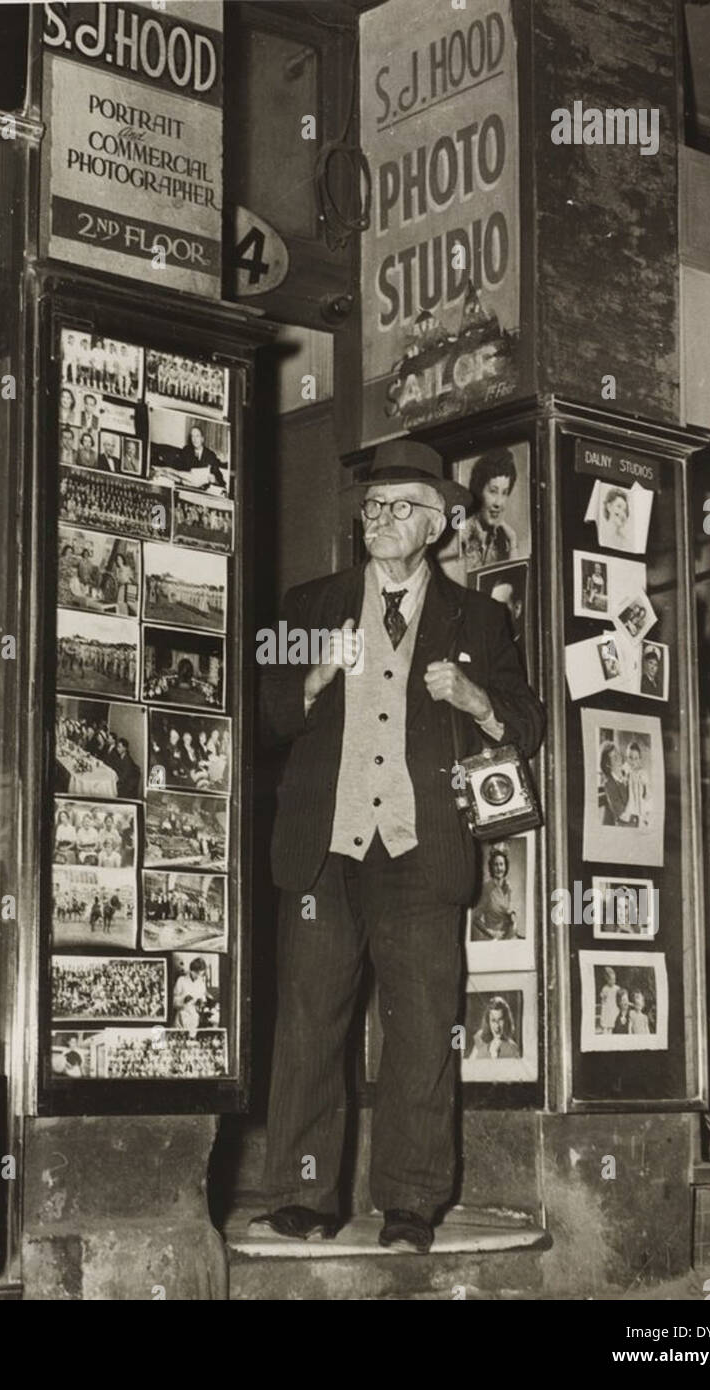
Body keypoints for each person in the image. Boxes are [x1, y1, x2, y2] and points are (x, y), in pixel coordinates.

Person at [251, 438, 544, 1255]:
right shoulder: (310, 604)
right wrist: (312, 681)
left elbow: (528, 722)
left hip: (423, 849)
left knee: (423, 1028)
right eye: (372, 507)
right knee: (310, 1022)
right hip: (325, 847)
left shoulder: (480, 619)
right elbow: (261, 712)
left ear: (440, 525)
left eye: (399, 508)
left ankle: (411, 1205)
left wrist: (477, 696)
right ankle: (304, 1195)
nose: (380, 520)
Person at [463, 449, 518, 570]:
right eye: (493, 491)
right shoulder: (461, 535)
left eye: (504, 493)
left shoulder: (502, 539)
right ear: (478, 491)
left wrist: (513, 544)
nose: (498, 503)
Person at [469, 845, 517, 940]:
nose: (499, 868)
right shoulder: (486, 888)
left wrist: (513, 916)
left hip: (509, 935)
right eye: (496, 864)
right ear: (491, 867)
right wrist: (491, 933)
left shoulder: (508, 887)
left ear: (506, 866)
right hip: (494, 939)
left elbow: (509, 910)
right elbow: (475, 918)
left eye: (501, 864)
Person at [176, 425, 227, 492]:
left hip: (203, 490)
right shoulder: (186, 450)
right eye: (192, 436)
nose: (194, 439)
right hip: (187, 487)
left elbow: (219, 477)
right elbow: (178, 468)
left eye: (197, 436)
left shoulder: (210, 455)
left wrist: (215, 480)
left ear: (202, 439)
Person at [621, 740, 651, 827]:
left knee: (641, 822)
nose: (633, 761)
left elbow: (647, 792)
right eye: (630, 757)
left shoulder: (642, 773)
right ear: (626, 758)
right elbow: (622, 782)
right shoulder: (626, 770)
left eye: (636, 758)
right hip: (630, 805)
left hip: (640, 803)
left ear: (639, 759)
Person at [600, 742, 629, 824]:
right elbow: (623, 814)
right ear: (608, 764)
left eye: (618, 755)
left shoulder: (627, 774)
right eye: (615, 758)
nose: (619, 759)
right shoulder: (608, 784)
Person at [599, 966, 620, 1032]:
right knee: (606, 1024)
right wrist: (604, 997)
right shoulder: (605, 988)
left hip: (614, 1007)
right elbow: (602, 998)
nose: (613, 981)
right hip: (607, 1008)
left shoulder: (617, 988)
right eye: (611, 979)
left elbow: (620, 996)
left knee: (612, 1024)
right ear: (607, 979)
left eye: (614, 979)